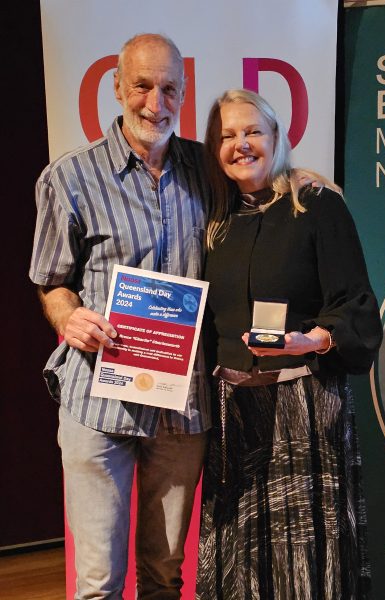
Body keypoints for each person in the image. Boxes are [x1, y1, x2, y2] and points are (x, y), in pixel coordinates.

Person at [29, 34, 210, 598]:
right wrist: (69, 318)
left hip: (179, 408)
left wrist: (304, 181)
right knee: (98, 583)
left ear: (184, 92)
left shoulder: (208, 171)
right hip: (97, 402)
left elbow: (266, 180)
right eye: (142, 86)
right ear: (116, 87)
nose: (156, 103)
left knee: (164, 578)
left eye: (170, 89)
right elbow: (52, 282)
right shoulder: (70, 177)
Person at [196, 89, 382, 599]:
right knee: (238, 563)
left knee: (304, 562)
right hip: (231, 413)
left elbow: (356, 304)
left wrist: (313, 340)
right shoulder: (214, 221)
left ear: (277, 137)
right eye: (228, 135)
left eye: (253, 131)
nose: (241, 144)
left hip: (304, 403)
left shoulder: (317, 205)